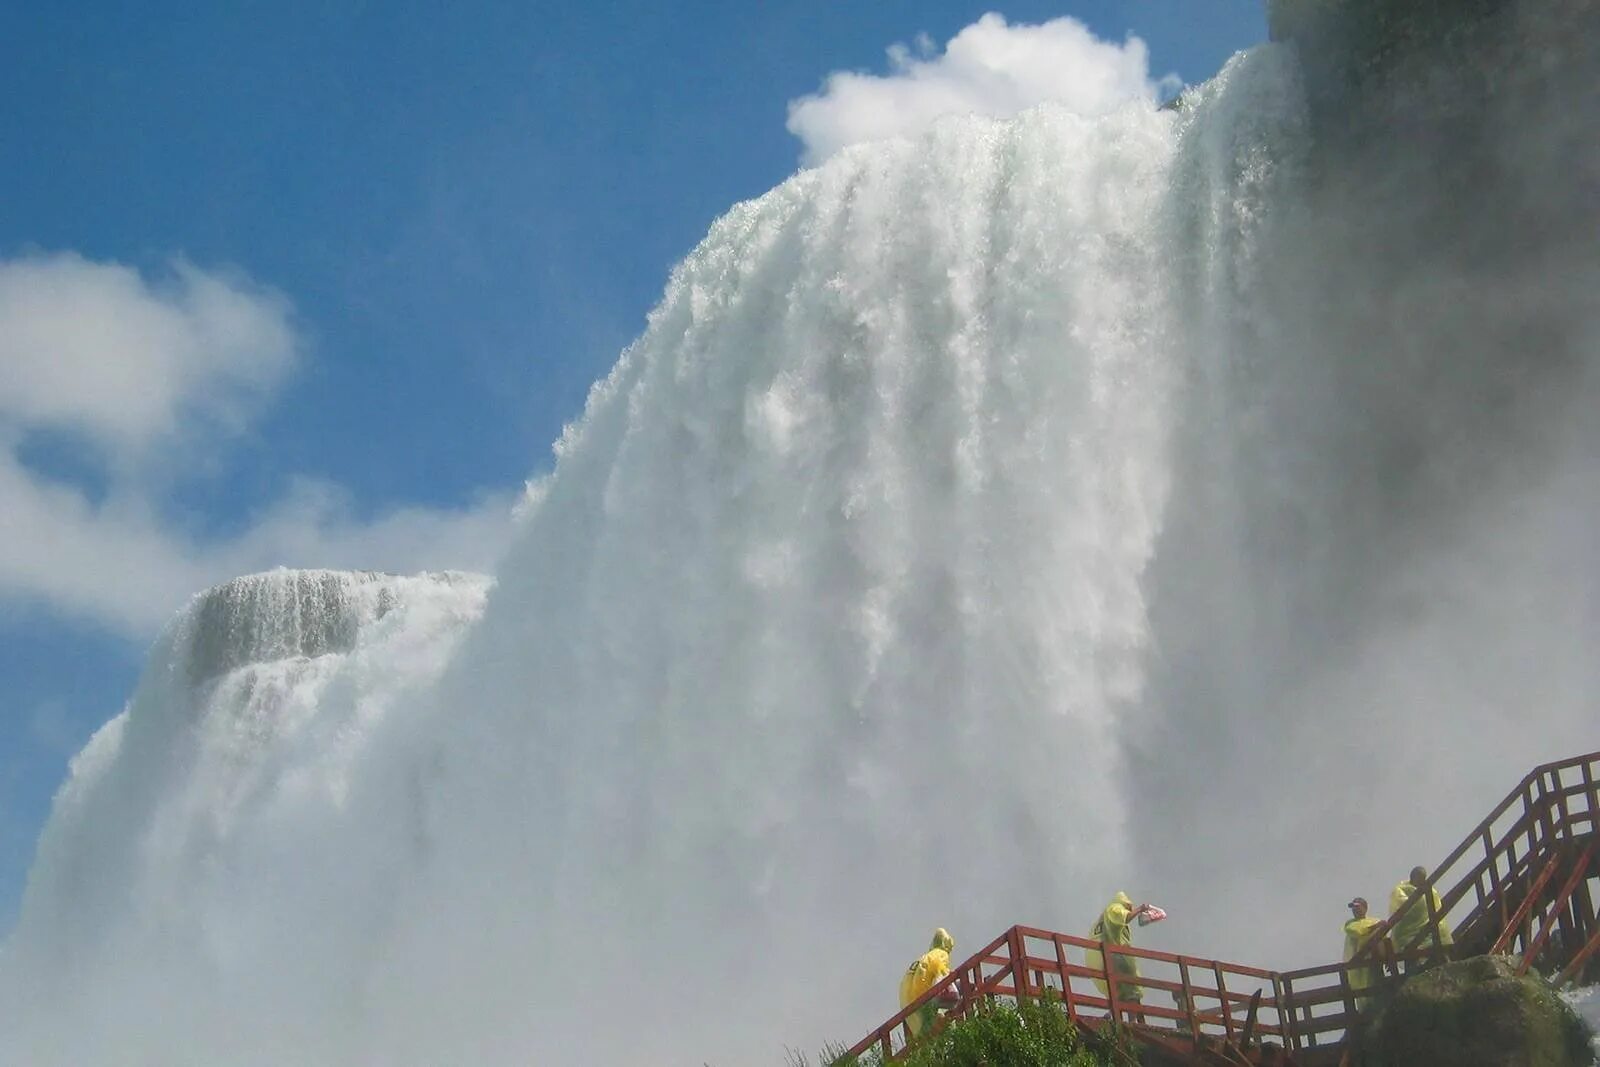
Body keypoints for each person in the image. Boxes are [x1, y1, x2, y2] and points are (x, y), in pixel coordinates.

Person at [1086, 892, 1151, 1020]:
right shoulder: (1115, 908)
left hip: (1100, 958)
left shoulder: (1101, 920)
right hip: (1115, 957)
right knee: (1131, 989)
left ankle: (1114, 1015)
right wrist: (1140, 909)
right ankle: (1132, 1022)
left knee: (1117, 990)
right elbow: (1123, 917)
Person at [1389, 866, 1452, 969]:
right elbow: (1406, 906)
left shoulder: (1429, 889)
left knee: (1437, 947)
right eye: (1420, 878)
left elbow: (1435, 905)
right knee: (1414, 953)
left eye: (1423, 878)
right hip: (1410, 933)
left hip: (1432, 930)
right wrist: (1420, 904)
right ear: (1413, 877)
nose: (1422, 880)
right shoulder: (1402, 889)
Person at [898, 928, 956, 1038]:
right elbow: (941, 977)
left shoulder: (922, 959)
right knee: (956, 995)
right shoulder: (941, 954)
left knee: (928, 1033)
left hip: (907, 1006)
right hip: (921, 1000)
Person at [1342, 897, 1385, 1011]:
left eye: (1357, 907)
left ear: (1365, 908)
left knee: (1375, 983)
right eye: (1353, 908)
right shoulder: (1350, 924)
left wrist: (1386, 956)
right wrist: (1376, 927)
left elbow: (1384, 940)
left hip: (1373, 960)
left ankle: (1376, 1011)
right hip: (1357, 963)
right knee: (1360, 989)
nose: (1355, 910)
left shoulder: (1375, 920)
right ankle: (1365, 1011)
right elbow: (1357, 931)